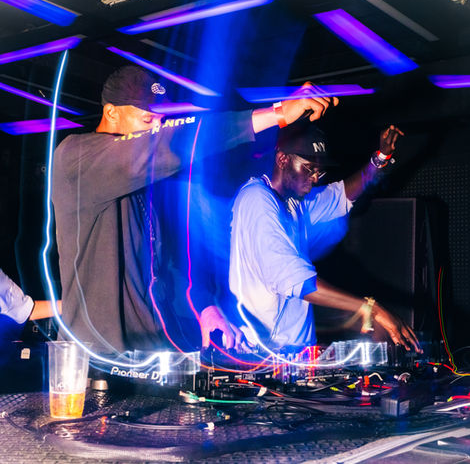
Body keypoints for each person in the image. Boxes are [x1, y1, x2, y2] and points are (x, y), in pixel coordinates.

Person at [52, 65, 337, 354]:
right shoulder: (75, 158)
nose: (155, 128)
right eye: (148, 118)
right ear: (112, 112)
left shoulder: (146, 183)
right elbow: (170, 143)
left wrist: (205, 307)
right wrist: (277, 114)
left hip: (148, 354)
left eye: (160, 120)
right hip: (94, 356)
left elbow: (168, 263)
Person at [229, 120, 421, 352]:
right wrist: (371, 308)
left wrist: (380, 158)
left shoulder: (295, 202)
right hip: (263, 357)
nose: (315, 178)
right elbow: (296, 281)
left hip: (297, 355)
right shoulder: (257, 200)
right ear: (282, 159)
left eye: (319, 171)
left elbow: (342, 195)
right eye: (309, 168)